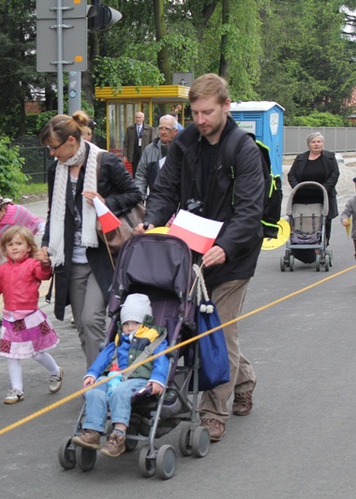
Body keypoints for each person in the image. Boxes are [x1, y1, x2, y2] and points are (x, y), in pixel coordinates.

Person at [137, 73, 263, 442]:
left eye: (208, 112)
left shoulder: (243, 148)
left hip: (232, 255)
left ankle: (212, 412)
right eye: (195, 112)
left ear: (225, 106)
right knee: (198, 326)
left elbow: (251, 208)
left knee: (218, 329)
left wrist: (227, 244)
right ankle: (245, 379)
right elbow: (164, 190)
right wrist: (150, 221)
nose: (201, 119)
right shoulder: (185, 142)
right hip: (190, 249)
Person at [38, 110, 142, 368]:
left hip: (102, 254)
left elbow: (135, 194)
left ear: (71, 141)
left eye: (54, 147)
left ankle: (98, 382)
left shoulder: (105, 162)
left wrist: (106, 203)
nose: (52, 153)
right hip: (70, 258)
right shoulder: (56, 170)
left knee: (92, 319)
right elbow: (54, 212)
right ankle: (101, 371)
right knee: (83, 328)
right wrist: (45, 245)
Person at [0, 226, 63, 405]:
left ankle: (55, 372)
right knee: (11, 355)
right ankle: (17, 389)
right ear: (4, 249)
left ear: (28, 247)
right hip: (10, 319)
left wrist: (45, 263)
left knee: (36, 354)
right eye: (10, 244)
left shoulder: (33, 265)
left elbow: (44, 275)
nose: (14, 247)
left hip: (30, 318)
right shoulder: (2, 269)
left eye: (19, 243)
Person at [71, 293, 168, 457]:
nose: (129, 328)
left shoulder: (154, 339)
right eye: (126, 324)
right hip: (114, 376)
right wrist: (92, 374)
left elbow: (162, 360)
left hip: (139, 379)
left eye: (135, 323)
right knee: (94, 390)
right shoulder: (119, 340)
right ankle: (92, 432)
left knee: (120, 392)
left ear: (145, 323)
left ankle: (118, 436)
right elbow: (103, 358)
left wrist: (158, 379)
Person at [288, 132, 340, 246]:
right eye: (313, 142)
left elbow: (334, 174)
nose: (316, 144)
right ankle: (300, 241)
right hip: (302, 196)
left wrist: (324, 188)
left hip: (323, 195)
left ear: (322, 143)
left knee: (324, 221)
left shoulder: (330, 157)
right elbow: (291, 175)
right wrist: (297, 188)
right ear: (308, 144)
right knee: (301, 220)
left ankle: (322, 244)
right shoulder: (300, 158)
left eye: (319, 142)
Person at [0, 196, 45, 274]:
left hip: (24, 254)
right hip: (6, 257)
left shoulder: (18, 211)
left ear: (2, 210)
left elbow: (36, 223)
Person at [134, 114, 179, 198]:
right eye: (161, 128)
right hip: (156, 200)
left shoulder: (181, 149)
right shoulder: (149, 150)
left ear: (175, 131)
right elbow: (141, 175)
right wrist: (139, 196)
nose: (163, 131)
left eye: (167, 129)